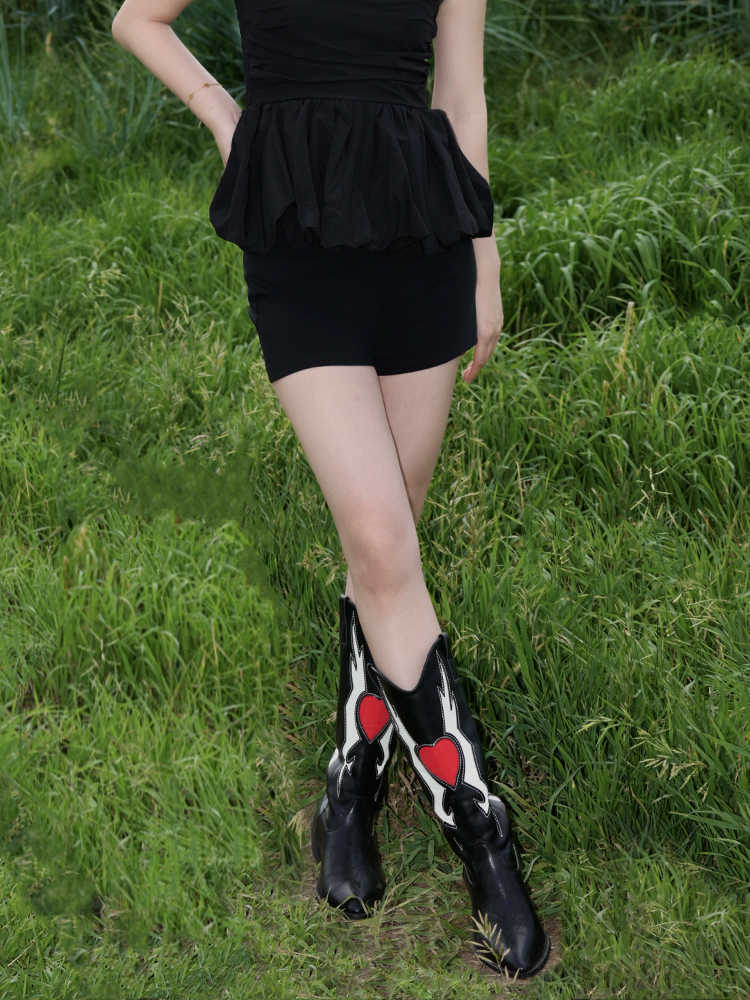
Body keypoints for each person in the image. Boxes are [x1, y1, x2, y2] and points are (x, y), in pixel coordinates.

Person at [112, 0, 550, 979]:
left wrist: (483, 258)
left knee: (383, 555)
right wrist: (225, 116)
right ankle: (484, 832)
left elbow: (461, 93)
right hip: (297, 234)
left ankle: (351, 779)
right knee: (385, 544)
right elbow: (138, 19)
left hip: (425, 238)